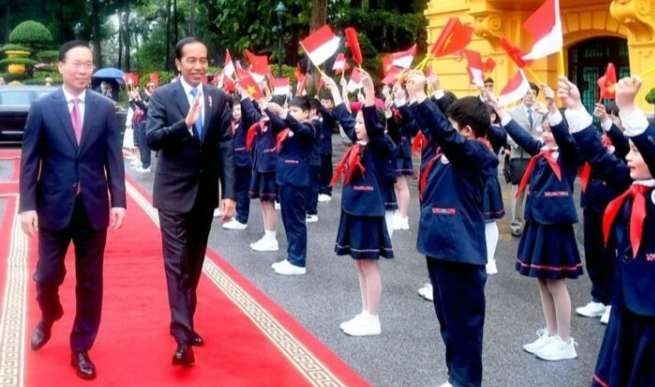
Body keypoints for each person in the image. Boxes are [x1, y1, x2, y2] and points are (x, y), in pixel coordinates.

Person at [19, 40, 126, 380]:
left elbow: (113, 158)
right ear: (61, 66)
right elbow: (29, 159)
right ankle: (49, 313)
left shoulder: (104, 108)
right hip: (53, 205)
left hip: (93, 207)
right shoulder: (43, 108)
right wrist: (27, 205)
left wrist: (119, 200)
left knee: (91, 282)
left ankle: (81, 346)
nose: (84, 70)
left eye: (88, 64)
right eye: (77, 64)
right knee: (47, 275)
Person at [558, 75, 655, 387]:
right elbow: (598, 156)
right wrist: (574, 108)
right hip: (626, 301)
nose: (627, 157)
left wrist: (627, 109)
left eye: (636, 153)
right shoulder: (631, 186)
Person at [146, 37, 236, 366]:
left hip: (204, 196)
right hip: (171, 193)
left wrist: (229, 193)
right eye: (191, 60)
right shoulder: (162, 96)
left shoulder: (218, 98)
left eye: (203, 60)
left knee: (193, 265)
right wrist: (183, 126)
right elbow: (152, 138)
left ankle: (185, 320)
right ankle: (182, 337)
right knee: (175, 263)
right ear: (178, 64)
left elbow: (226, 147)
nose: (199, 66)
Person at [405, 71, 497, 387]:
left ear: (467, 131)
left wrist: (421, 95)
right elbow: (437, 132)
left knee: (465, 327)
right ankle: (456, 377)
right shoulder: (448, 150)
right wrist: (416, 94)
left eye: (452, 124)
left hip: (462, 254)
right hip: (438, 245)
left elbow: (446, 136)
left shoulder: (480, 153)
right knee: (448, 323)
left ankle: (467, 382)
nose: (446, 129)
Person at [486, 84, 582, 361]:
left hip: (556, 225)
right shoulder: (540, 152)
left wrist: (553, 109)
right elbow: (516, 133)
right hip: (537, 221)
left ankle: (565, 340)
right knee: (542, 280)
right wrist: (497, 107)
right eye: (543, 129)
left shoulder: (568, 154)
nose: (545, 133)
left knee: (556, 282)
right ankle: (551, 334)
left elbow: (564, 136)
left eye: (550, 129)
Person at [323, 72, 395, 336]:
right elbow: (343, 116)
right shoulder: (358, 143)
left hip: (368, 211)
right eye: (357, 122)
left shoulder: (379, 145)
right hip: (353, 209)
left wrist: (369, 94)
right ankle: (365, 312)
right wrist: (335, 92)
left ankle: (373, 317)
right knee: (359, 263)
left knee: (369, 263)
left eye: (361, 121)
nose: (356, 125)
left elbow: (374, 126)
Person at [575, 102, 629, 324]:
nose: (612, 121)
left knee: (611, 254)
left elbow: (622, 146)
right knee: (593, 251)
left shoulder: (626, 142)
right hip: (592, 201)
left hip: (613, 203)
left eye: (616, 117)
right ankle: (599, 297)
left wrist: (608, 123)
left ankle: (613, 302)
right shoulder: (599, 139)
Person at [265, 96, 315, 275]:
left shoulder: (309, 128)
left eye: (296, 111)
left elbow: (297, 127)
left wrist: (285, 114)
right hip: (285, 179)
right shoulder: (289, 127)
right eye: (291, 110)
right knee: (288, 220)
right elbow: (278, 122)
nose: (292, 114)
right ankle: (291, 256)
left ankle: (298, 261)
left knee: (296, 222)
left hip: (297, 180)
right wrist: (267, 108)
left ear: (307, 113)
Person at [508, 83, 544, 237]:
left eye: (533, 93)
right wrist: (521, 143)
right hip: (520, 156)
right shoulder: (513, 112)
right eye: (528, 93)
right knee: (519, 191)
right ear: (522, 95)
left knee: (536, 189)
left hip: (536, 157)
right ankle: (516, 222)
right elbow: (509, 135)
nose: (530, 96)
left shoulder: (540, 113)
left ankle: (532, 221)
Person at [222, 94, 251, 230]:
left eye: (239, 109)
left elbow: (247, 113)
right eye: (234, 110)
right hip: (234, 161)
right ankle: (239, 215)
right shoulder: (232, 123)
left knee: (242, 191)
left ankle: (242, 218)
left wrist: (245, 96)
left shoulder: (245, 123)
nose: (236, 112)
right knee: (237, 189)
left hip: (243, 161)